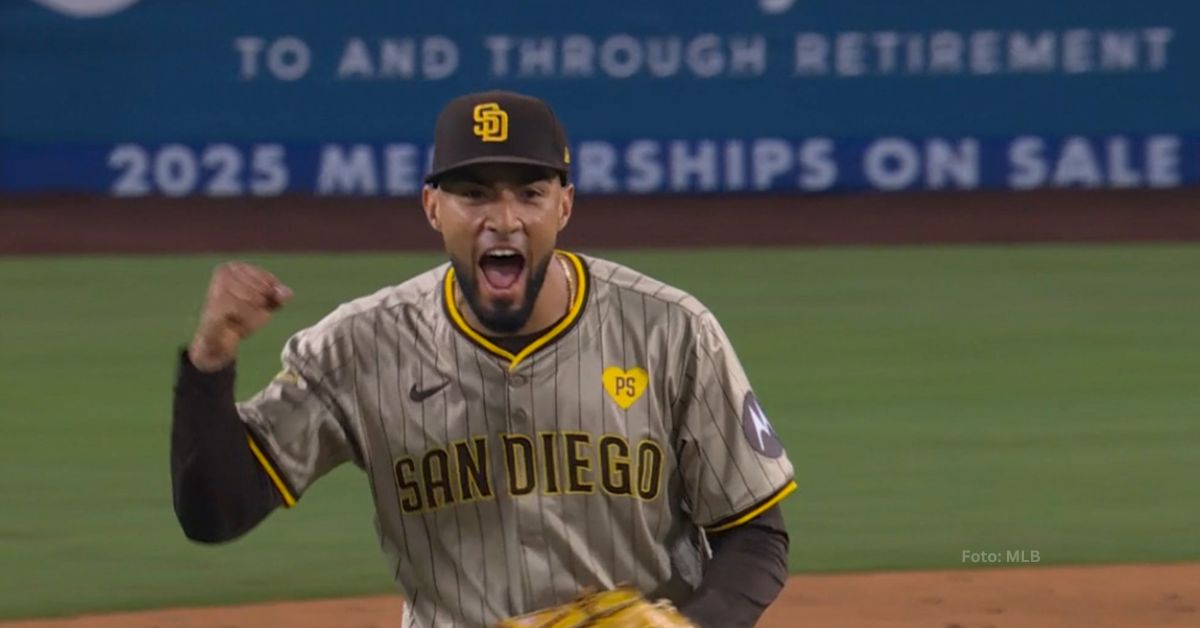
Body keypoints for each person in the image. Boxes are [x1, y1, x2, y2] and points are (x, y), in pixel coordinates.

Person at [171, 90, 795, 627]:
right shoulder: (357, 347)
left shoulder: (671, 330)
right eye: (473, 194)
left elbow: (755, 531)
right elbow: (215, 513)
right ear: (432, 208)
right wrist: (211, 357)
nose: (504, 219)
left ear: (565, 206)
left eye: (529, 192)